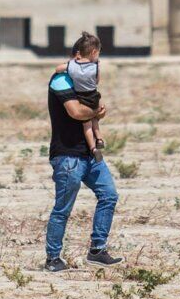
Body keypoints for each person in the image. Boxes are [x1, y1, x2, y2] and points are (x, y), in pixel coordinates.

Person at [45, 33, 122, 272]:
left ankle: (97, 250)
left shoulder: (84, 80)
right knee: (63, 209)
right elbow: (77, 113)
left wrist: (97, 113)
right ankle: (52, 259)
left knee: (109, 195)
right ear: (77, 57)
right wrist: (97, 112)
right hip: (68, 155)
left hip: (89, 155)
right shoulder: (60, 80)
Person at [54, 32, 106, 161]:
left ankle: (93, 148)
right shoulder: (95, 67)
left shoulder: (72, 66)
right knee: (94, 118)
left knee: (87, 125)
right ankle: (99, 138)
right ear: (94, 52)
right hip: (93, 96)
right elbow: (97, 81)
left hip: (82, 98)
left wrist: (71, 64)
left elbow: (58, 68)